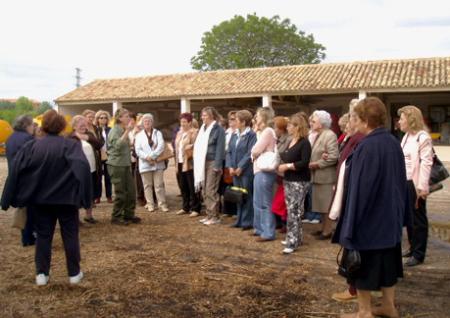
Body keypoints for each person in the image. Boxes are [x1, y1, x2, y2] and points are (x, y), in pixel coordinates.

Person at [332, 97, 406, 318]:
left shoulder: (368, 145)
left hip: (369, 220)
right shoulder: (393, 141)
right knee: (387, 263)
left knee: (364, 265)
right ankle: (388, 306)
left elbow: (361, 189)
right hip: (389, 218)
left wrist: (351, 224)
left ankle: (364, 312)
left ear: (364, 120)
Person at [1, 109, 92, 286]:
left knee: (43, 236)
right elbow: (83, 169)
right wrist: (85, 198)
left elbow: (15, 171)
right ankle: (74, 274)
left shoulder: (32, 146)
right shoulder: (71, 145)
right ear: (62, 127)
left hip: (40, 200)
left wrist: (7, 199)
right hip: (66, 200)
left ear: (43, 127)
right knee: (70, 236)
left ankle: (41, 274)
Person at [398, 105, 433, 267]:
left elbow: (426, 162)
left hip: (416, 183)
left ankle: (419, 253)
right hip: (404, 182)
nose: (399, 122)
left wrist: (422, 186)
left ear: (411, 120)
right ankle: (412, 247)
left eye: (402, 118)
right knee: (409, 218)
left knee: (418, 219)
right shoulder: (406, 137)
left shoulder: (422, 137)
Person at [278, 114, 311, 254]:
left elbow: (304, 162)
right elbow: (285, 156)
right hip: (289, 180)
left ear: (298, 127)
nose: (288, 127)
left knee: (294, 211)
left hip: (299, 180)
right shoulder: (291, 141)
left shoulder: (304, 143)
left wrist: (288, 166)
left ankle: (292, 242)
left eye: (291, 125)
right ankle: (296, 237)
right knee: (292, 210)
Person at [4, 115, 36, 246]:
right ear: (26, 125)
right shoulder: (28, 139)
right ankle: (30, 237)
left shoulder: (11, 138)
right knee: (31, 209)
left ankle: (26, 237)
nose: (34, 127)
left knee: (23, 208)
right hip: (28, 177)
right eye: (33, 124)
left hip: (15, 176)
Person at [107, 108, 141, 225]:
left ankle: (128, 215)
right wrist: (127, 132)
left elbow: (126, 145)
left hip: (125, 163)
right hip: (116, 165)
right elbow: (117, 146)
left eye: (128, 116)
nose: (129, 118)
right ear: (119, 118)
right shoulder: (115, 131)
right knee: (121, 193)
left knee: (131, 191)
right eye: (126, 116)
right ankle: (116, 217)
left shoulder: (122, 129)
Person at [308, 110, 339, 239]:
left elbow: (333, 156)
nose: (311, 123)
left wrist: (317, 164)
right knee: (321, 206)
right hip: (318, 177)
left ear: (321, 123)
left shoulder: (329, 135)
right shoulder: (319, 135)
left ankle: (327, 231)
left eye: (313, 121)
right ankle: (323, 228)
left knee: (326, 206)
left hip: (326, 177)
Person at [226, 110, 257, 230]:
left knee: (246, 195)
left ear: (243, 122)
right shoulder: (234, 134)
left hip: (245, 172)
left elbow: (250, 153)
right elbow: (228, 151)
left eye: (237, 120)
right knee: (237, 195)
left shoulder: (252, 135)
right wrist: (230, 166)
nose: (234, 122)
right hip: (234, 170)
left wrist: (240, 167)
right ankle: (239, 219)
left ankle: (247, 221)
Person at [194, 106, 225, 225]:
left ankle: (214, 216)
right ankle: (209, 214)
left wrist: (217, 165)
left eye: (205, 115)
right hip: (202, 162)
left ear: (211, 116)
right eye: (202, 115)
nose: (202, 117)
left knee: (210, 189)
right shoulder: (203, 128)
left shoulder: (218, 129)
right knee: (205, 190)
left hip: (213, 162)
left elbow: (220, 148)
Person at [70, 115, 104, 223]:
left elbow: (99, 144)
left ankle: (89, 216)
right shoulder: (71, 137)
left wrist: (87, 138)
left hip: (92, 168)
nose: (83, 127)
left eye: (84, 125)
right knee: (78, 193)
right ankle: (76, 218)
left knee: (91, 192)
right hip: (78, 171)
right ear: (74, 126)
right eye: (80, 125)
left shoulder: (89, 134)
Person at [251, 107, 278, 242]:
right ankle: (259, 228)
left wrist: (254, 153)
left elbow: (255, 150)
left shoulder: (268, 131)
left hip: (264, 171)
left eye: (257, 115)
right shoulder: (262, 131)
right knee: (257, 201)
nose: (256, 117)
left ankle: (268, 232)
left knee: (265, 202)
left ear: (264, 117)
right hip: (259, 170)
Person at [135, 113, 169, 212]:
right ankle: (150, 204)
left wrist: (153, 156)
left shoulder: (157, 133)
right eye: (145, 121)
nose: (147, 123)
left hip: (157, 162)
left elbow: (161, 146)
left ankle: (162, 204)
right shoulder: (139, 135)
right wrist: (147, 157)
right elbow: (138, 150)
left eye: (149, 121)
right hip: (145, 163)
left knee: (159, 185)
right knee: (147, 185)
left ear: (152, 122)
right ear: (142, 123)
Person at [175, 113, 201, 217]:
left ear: (190, 122)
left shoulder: (195, 132)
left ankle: (196, 208)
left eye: (184, 122)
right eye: (181, 122)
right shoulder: (179, 133)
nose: (182, 124)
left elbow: (197, 145)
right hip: (181, 162)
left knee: (192, 186)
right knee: (183, 186)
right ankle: (185, 207)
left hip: (190, 163)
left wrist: (190, 146)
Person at [271, 116, 291, 232]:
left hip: (284, 173)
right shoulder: (277, 139)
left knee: (283, 201)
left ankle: (286, 223)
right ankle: (281, 222)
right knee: (279, 200)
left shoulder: (288, 140)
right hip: (277, 173)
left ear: (281, 128)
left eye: (275, 127)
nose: (274, 129)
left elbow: (286, 155)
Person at [82, 109, 103, 204]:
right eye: (89, 117)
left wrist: (99, 145)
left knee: (97, 176)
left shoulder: (97, 128)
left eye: (92, 117)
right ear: (84, 118)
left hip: (97, 155)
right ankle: (89, 199)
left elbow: (101, 140)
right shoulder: (82, 129)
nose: (91, 119)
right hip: (87, 154)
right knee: (89, 177)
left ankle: (96, 196)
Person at [95, 110, 113, 203]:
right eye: (101, 118)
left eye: (105, 118)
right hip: (98, 155)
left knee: (108, 176)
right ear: (97, 119)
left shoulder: (110, 129)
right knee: (98, 177)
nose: (103, 119)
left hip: (108, 154)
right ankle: (97, 196)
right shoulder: (95, 130)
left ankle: (109, 196)